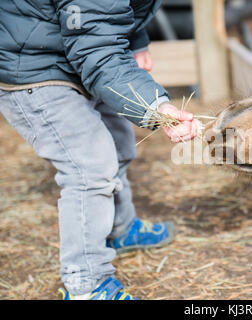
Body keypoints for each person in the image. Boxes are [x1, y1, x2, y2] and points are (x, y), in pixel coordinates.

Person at [0, 0, 201, 300]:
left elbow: (114, 13)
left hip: (70, 48)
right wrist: (156, 109)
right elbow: (100, 52)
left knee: (118, 142)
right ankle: (86, 284)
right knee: (89, 166)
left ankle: (119, 228)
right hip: (33, 68)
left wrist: (137, 40)